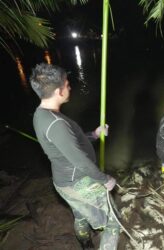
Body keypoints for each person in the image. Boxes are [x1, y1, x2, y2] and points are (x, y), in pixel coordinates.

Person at [30, 63, 119, 249]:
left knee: (80, 214)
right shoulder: (56, 124)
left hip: (64, 181)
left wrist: (93, 135)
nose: (70, 87)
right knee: (113, 222)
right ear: (58, 91)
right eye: (67, 84)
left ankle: (86, 245)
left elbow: (67, 145)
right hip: (78, 183)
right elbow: (81, 162)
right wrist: (104, 179)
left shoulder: (41, 114)